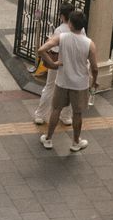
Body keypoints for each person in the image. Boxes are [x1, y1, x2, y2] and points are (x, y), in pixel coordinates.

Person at [36, 8, 98, 153]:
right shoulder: (89, 44)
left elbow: (41, 50)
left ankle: (49, 138)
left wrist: (52, 64)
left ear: (70, 23)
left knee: (56, 109)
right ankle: (76, 142)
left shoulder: (62, 37)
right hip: (80, 84)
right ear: (83, 26)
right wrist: (94, 81)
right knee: (77, 114)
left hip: (62, 81)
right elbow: (94, 67)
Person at [32, 6, 74, 128]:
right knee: (69, 89)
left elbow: (54, 49)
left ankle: (40, 115)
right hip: (72, 64)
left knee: (50, 86)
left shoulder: (59, 30)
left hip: (58, 63)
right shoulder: (79, 29)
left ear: (62, 16)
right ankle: (66, 117)